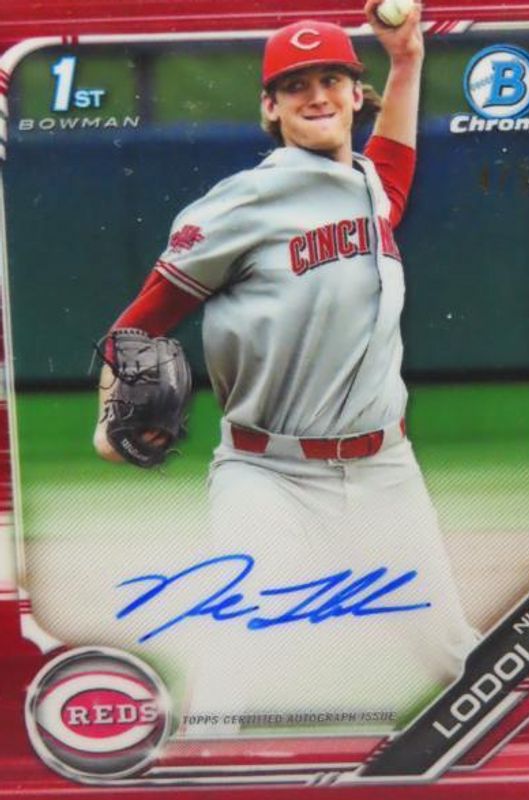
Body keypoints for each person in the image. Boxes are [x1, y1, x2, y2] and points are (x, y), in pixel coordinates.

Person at [95, 2, 477, 735]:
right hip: (268, 475)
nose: (316, 96)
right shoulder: (241, 203)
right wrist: (107, 423)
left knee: (453, 654)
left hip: (384, 472)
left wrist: (406, 60)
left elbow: (394, 170)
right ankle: (196, 768)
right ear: (270, 107)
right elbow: (137, 326)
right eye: (295, 85)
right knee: (237, 647)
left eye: (331, 79)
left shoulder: (369, 186)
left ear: (355, 95)